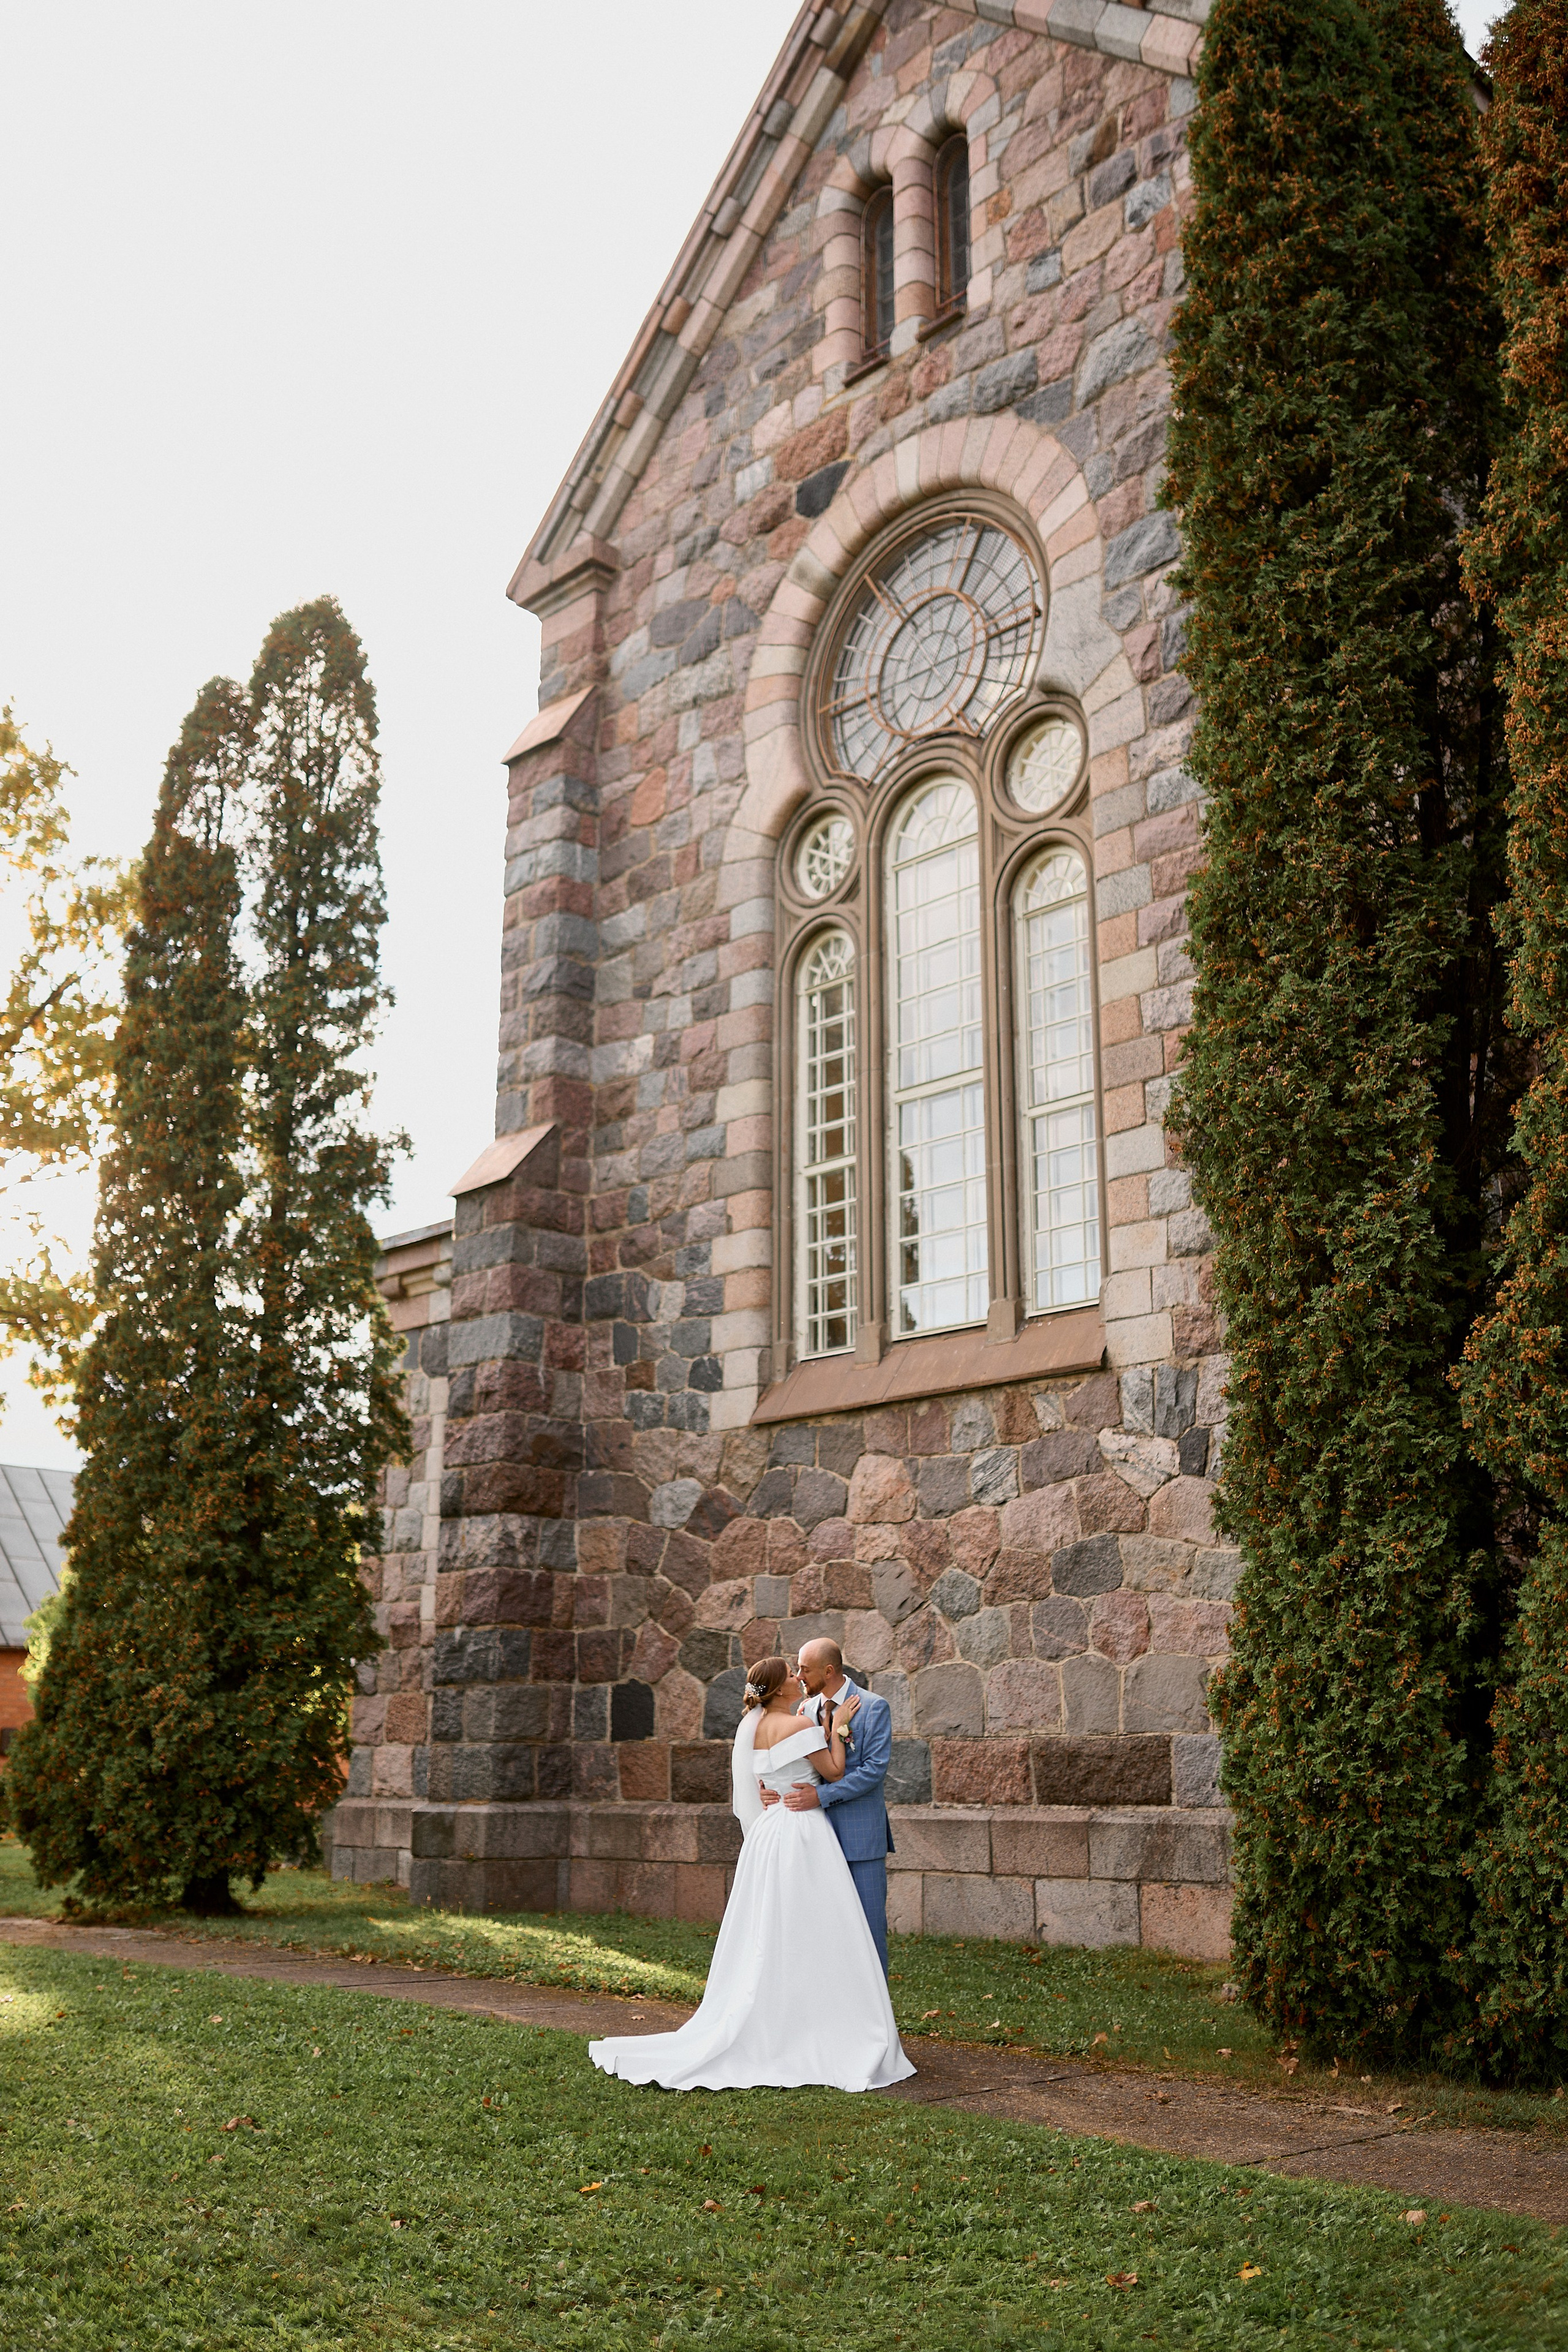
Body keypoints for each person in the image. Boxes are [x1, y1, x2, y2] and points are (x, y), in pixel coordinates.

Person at [586, 1656, 914, 2094]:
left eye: (804, 1671)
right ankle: (817, 2027)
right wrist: (837, 1729)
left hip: (770, 1833)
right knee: (819, 1926)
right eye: (793, 1675)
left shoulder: (754, 1727)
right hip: (802, 1833)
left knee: (774, 1928)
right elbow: (834, 1771)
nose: (799, 1679)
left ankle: (793, 2019)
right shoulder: (800, 1725)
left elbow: (767, 1777)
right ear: (779, 1690)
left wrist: (779, 1784)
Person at [764, 1637, 895, 1974]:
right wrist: (767, 1789)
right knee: (824, 1931)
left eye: (804, 1670)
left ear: (829, 1670)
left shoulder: (873, 1706)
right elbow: (796, 1763)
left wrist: (820, 1797)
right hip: (813, 1838)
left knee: (868, 1928)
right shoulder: (805, 1710)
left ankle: (875, 2020)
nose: (799, 1675)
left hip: (859, 1839)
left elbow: (872, 1772)